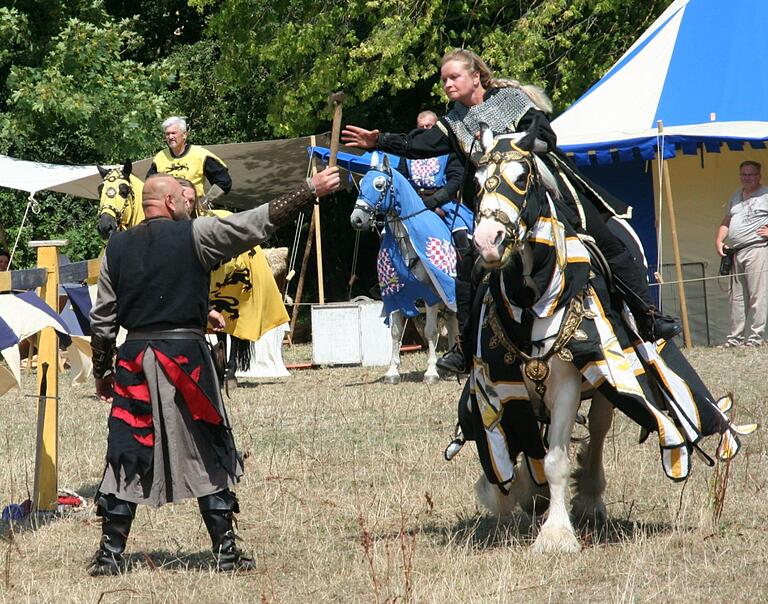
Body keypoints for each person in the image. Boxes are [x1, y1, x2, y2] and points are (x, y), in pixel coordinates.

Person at [342, 48, 680, 371]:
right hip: (498, 205)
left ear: (476, 76)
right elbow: (420, 144)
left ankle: (647, 316)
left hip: (539, 185)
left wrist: (512, 150)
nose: (447, 84)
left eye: (454, 77)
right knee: (468, 269)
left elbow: (548, 136)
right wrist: (379, 141)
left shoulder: (509, 101)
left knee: (606, 241)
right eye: (443, 79)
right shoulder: (454, 122)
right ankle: (464, 348)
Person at [88, 167, 340, 576]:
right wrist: (307, 190)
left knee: (128, 449)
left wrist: (102, 370)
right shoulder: (196, 234)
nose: (189, 205)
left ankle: (110, 556)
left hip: (134, 358)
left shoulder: (115, 248)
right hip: (185, 358)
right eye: (183, 200)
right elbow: (255, 222)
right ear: (170, 202)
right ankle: (225, 553)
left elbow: (102, 322)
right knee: (207, 446)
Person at [397, 110, 472, 372]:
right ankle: (395, 283)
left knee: (462, 236)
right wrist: (418, 205)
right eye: (422, 126)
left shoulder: (448, 148)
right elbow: (403, 182)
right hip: (416, 207)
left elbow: (455, 180)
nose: (427, 129)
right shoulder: (409, 154)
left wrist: (436, 203)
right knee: (393, 238)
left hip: (447, 205)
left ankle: (466, 278)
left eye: (431, 125)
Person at [715, 160, 768, 347]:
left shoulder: (766, 195)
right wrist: (719, 240)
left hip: (757, 249)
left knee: (757, 295)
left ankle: (756, 338)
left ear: (759, 176)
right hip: (736, 252)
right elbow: (727, 220)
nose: (747, 178)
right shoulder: (735, 196)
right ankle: (735, 339)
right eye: (744, 174)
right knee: (736, 297)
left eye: (751, 174)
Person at [146, 116, 232, 205]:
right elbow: (149, 185)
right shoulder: (160, 157)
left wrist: (207, 200)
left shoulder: (200, 154)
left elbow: (224, 181)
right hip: (168, 211)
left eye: (173, 133)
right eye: (167, 134)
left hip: (194, 211)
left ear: (184, 134)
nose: (170, 137)